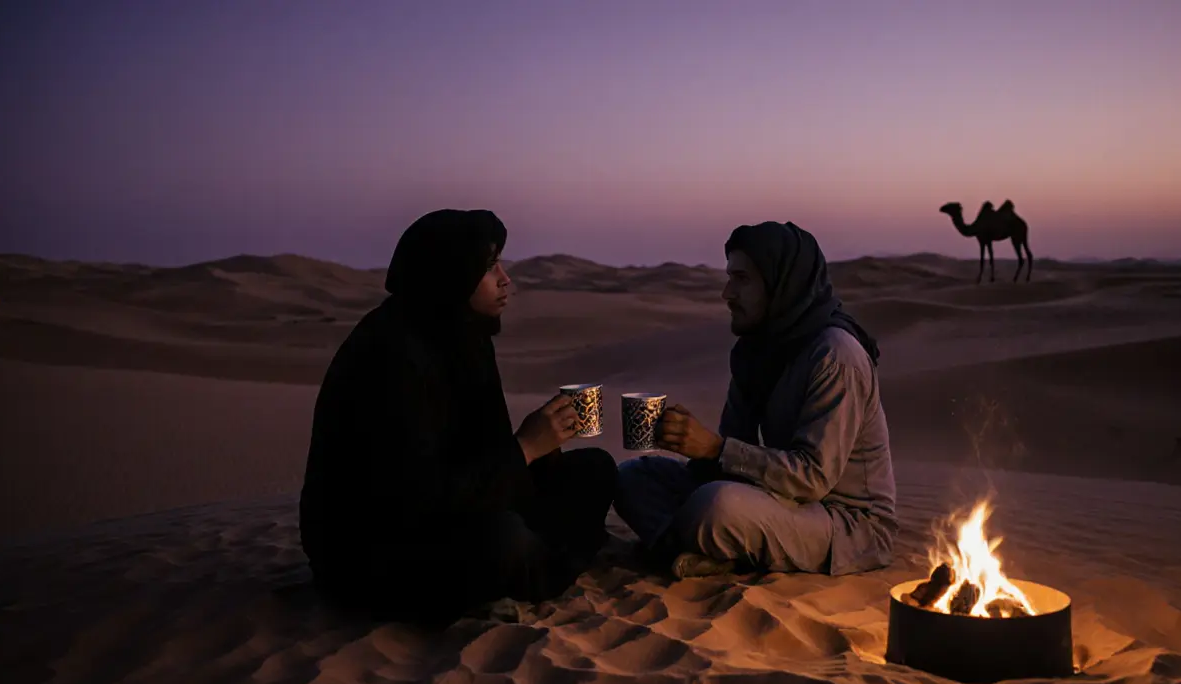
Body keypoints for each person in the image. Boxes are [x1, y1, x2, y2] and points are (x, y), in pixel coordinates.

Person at [299, 209, 617, 624]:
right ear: (450, 274)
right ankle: (534, 569)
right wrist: (523, 449)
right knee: (504, 541)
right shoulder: (391, 356)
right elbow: (417, 499)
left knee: (594, 470)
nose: (506, 279)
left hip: (462, 508)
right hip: (380, 549)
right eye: (488, 267)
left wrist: (541, 450)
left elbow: (481, 456)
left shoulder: (465, 333)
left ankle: (534, 563)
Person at [614, 221, 897, 579]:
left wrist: (715, 449)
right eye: (729, 277)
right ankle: (712, 547)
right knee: (632, 477)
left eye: (742, 279)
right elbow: (734, 450)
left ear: (780, 284)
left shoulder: (836, 356)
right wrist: (688, 444)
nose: (727, 293)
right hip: (776, 499)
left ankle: (698, 544)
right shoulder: (756, 352)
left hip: (846, 523)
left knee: (717, 506)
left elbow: (813, 477)